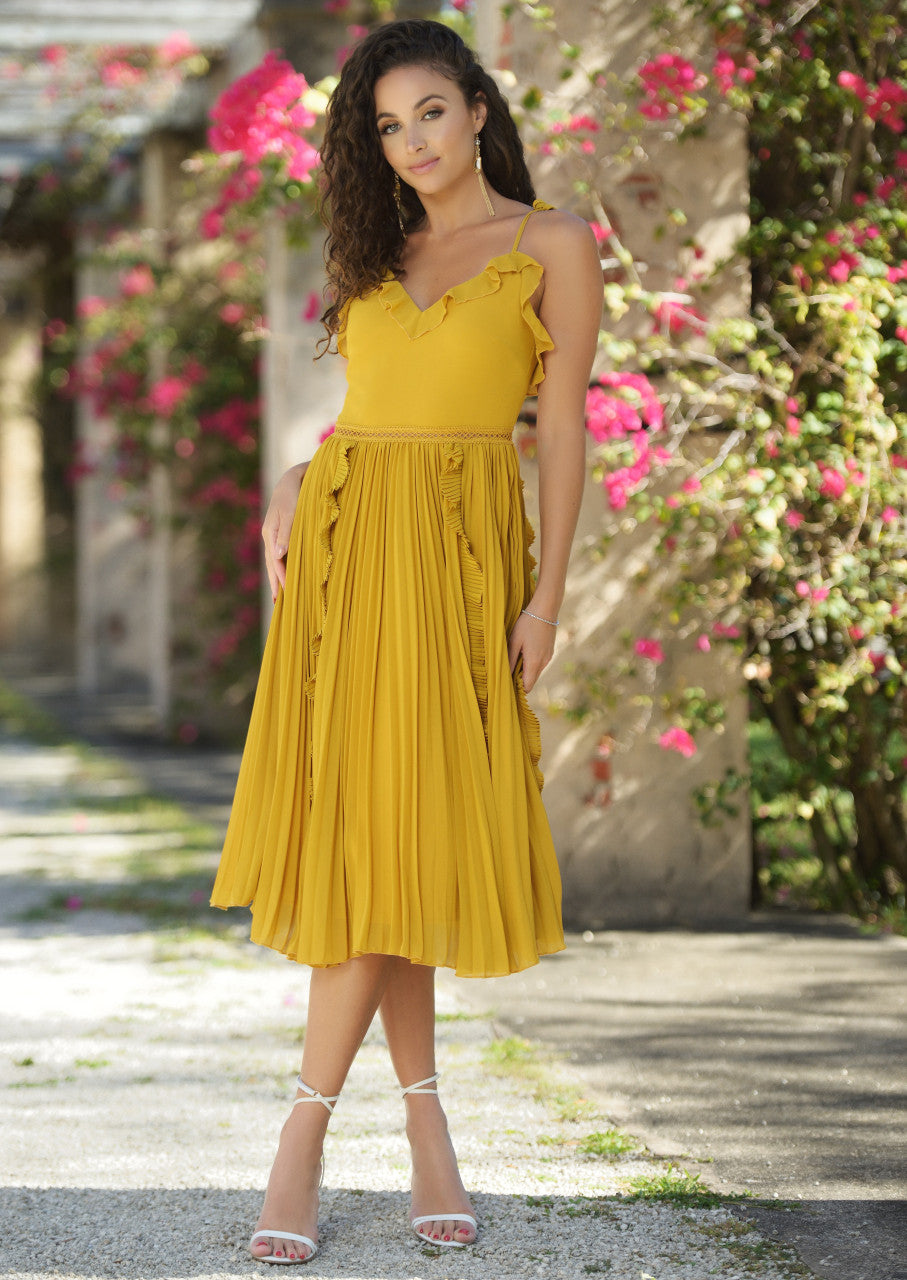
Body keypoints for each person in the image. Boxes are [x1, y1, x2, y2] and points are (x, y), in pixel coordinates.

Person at [209, 16, 603, 1267]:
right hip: (347, 555)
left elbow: (558, 434)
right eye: (387, 125)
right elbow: (360, 418)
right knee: (379, 843)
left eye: (429, 111)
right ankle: (401, 1125)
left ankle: (312, 1129)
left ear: (479, 109)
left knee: (410, 837)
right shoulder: (381, 254)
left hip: (464, 565)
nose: (412, 141)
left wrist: (546, 598)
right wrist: (288, 474)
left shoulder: (547, 243)